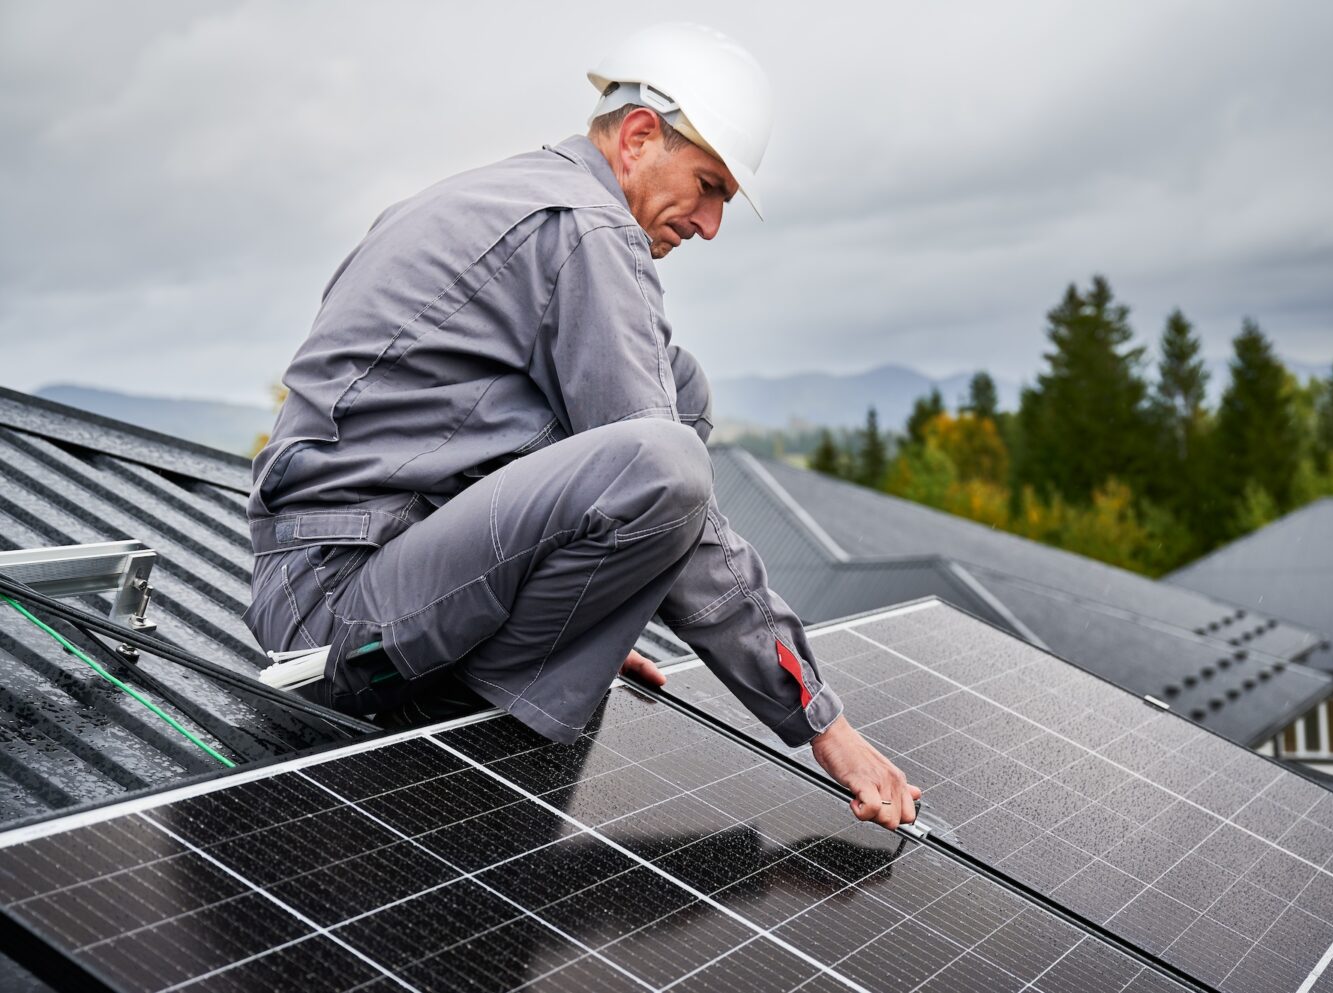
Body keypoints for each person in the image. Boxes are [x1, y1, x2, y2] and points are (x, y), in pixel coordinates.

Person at [242, 23, 919, 829]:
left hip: (354, 569)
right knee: (664, 457)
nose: (709, 224)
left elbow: (465, 445)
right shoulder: (585, 228)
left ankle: (524, 655)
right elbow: (668, 495)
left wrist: (583, 616)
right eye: (708, 186)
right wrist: (818, 717)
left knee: (679, 390)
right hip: (342, 613)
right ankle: (486, 697)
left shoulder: (500, 196)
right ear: (638, 136)